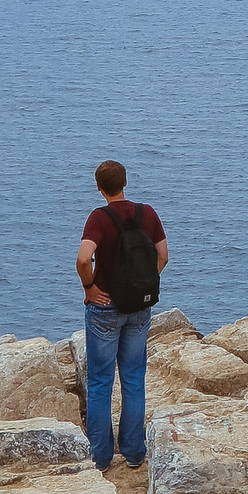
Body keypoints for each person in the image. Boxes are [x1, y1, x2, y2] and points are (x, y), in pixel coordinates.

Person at [77, 160, 168, 471]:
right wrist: (142, 284)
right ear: (125, 182)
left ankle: (100, 457)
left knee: (100, 382)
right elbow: (163, 256)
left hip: (105, 307)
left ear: (99, 188)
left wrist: (89, 288)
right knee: (133, 378)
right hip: (139, 307)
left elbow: (84, 259)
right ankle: (134, 452)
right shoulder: (147, 213)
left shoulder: (99, 218)